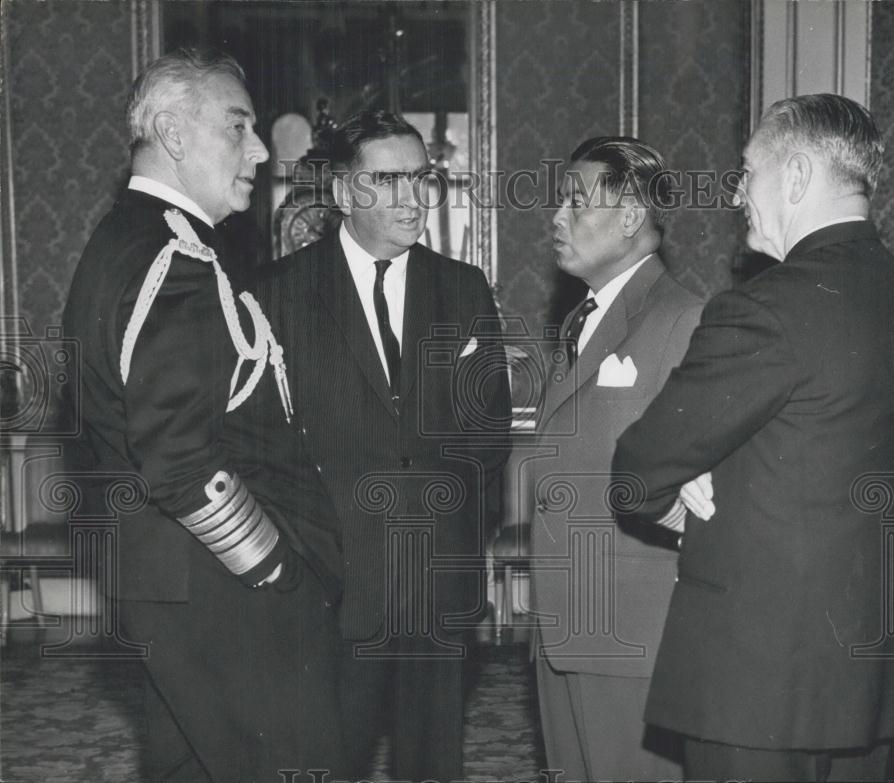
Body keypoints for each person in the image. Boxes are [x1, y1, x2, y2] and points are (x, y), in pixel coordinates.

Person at [612, 93, 894, 782]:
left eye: (747, 172)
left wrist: (686, 499)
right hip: (874, 678)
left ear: (794, 177)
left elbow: (639, 469)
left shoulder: (763, 308)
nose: (738, 194)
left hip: (759, 685)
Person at [63, 48, 344, 782]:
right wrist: (278, 571)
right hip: (222, 590)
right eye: (237, 126)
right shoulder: (172, 260)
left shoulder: (124, 242)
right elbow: (182, 462)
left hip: (170, 580)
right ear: (173, 133)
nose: (259, 150)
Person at [255, 109, 512, 783]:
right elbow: (262, 451)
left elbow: (487, 437)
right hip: (331, 592)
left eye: (421, 177)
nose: (412, 197)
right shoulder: (277, 294)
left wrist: (455, 542)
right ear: (345, 194)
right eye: (389, 179)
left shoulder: (462, 288)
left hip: (436, 586)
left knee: (433, 768)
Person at [529, 137, 703, 782]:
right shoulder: (583, 318)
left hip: (630, 629)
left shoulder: (682, 318)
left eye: (577, 202)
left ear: (631, 217)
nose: (558, 216)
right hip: (565, 619)